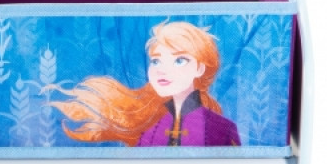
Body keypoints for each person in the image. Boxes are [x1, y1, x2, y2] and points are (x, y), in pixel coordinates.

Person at [49, 20, 240, 147]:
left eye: (179, 60)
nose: (162, 70)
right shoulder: (147, 125)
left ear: (200, 68)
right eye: (156, 61)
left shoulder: (223, 129)